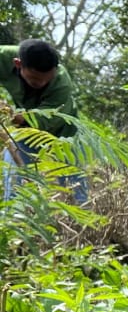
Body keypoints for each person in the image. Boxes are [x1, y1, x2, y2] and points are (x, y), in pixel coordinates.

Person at [1, 39, 88, 203]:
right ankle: (14, 223)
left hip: (65, 135)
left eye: (47, 79)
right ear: (18, 64)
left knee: (76, 192)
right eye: (35, 79)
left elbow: (45, 120)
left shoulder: (61, 83)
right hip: (24, 135)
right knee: (15, 184)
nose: (42, 83)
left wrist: (14, 117)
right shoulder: (3, 57)